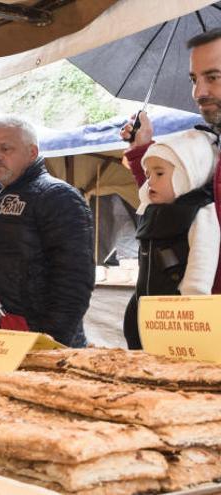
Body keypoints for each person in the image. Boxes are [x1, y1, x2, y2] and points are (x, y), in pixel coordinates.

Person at [0, 116, 95, 347]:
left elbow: (74, 279)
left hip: (41, 342)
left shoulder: (57, 196)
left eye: (6, 149)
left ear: (32, 152)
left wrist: (48, 341)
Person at [121, 28, 221, 294]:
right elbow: (172, 203)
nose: (199, 92)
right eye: (194, 79)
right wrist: (141, 149)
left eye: (213, 77)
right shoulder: (213, 149)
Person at [122, 130, 220, 349]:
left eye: (159, 174)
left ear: (187, 175)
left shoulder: (201, 212)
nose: (150, 181)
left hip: (177, 317)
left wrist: (191, 306)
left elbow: (200, 269)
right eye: (148, 175)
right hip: (144, 308)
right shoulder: (150, 210)